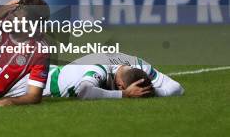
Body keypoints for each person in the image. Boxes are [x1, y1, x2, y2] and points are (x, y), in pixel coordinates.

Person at [43, 52, 184, 99]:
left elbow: (177, 87)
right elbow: (84, 91)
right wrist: (125, 94)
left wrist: (148, 91)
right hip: (42, 82)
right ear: (121, 85)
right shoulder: (100, 66)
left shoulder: (139, 65)